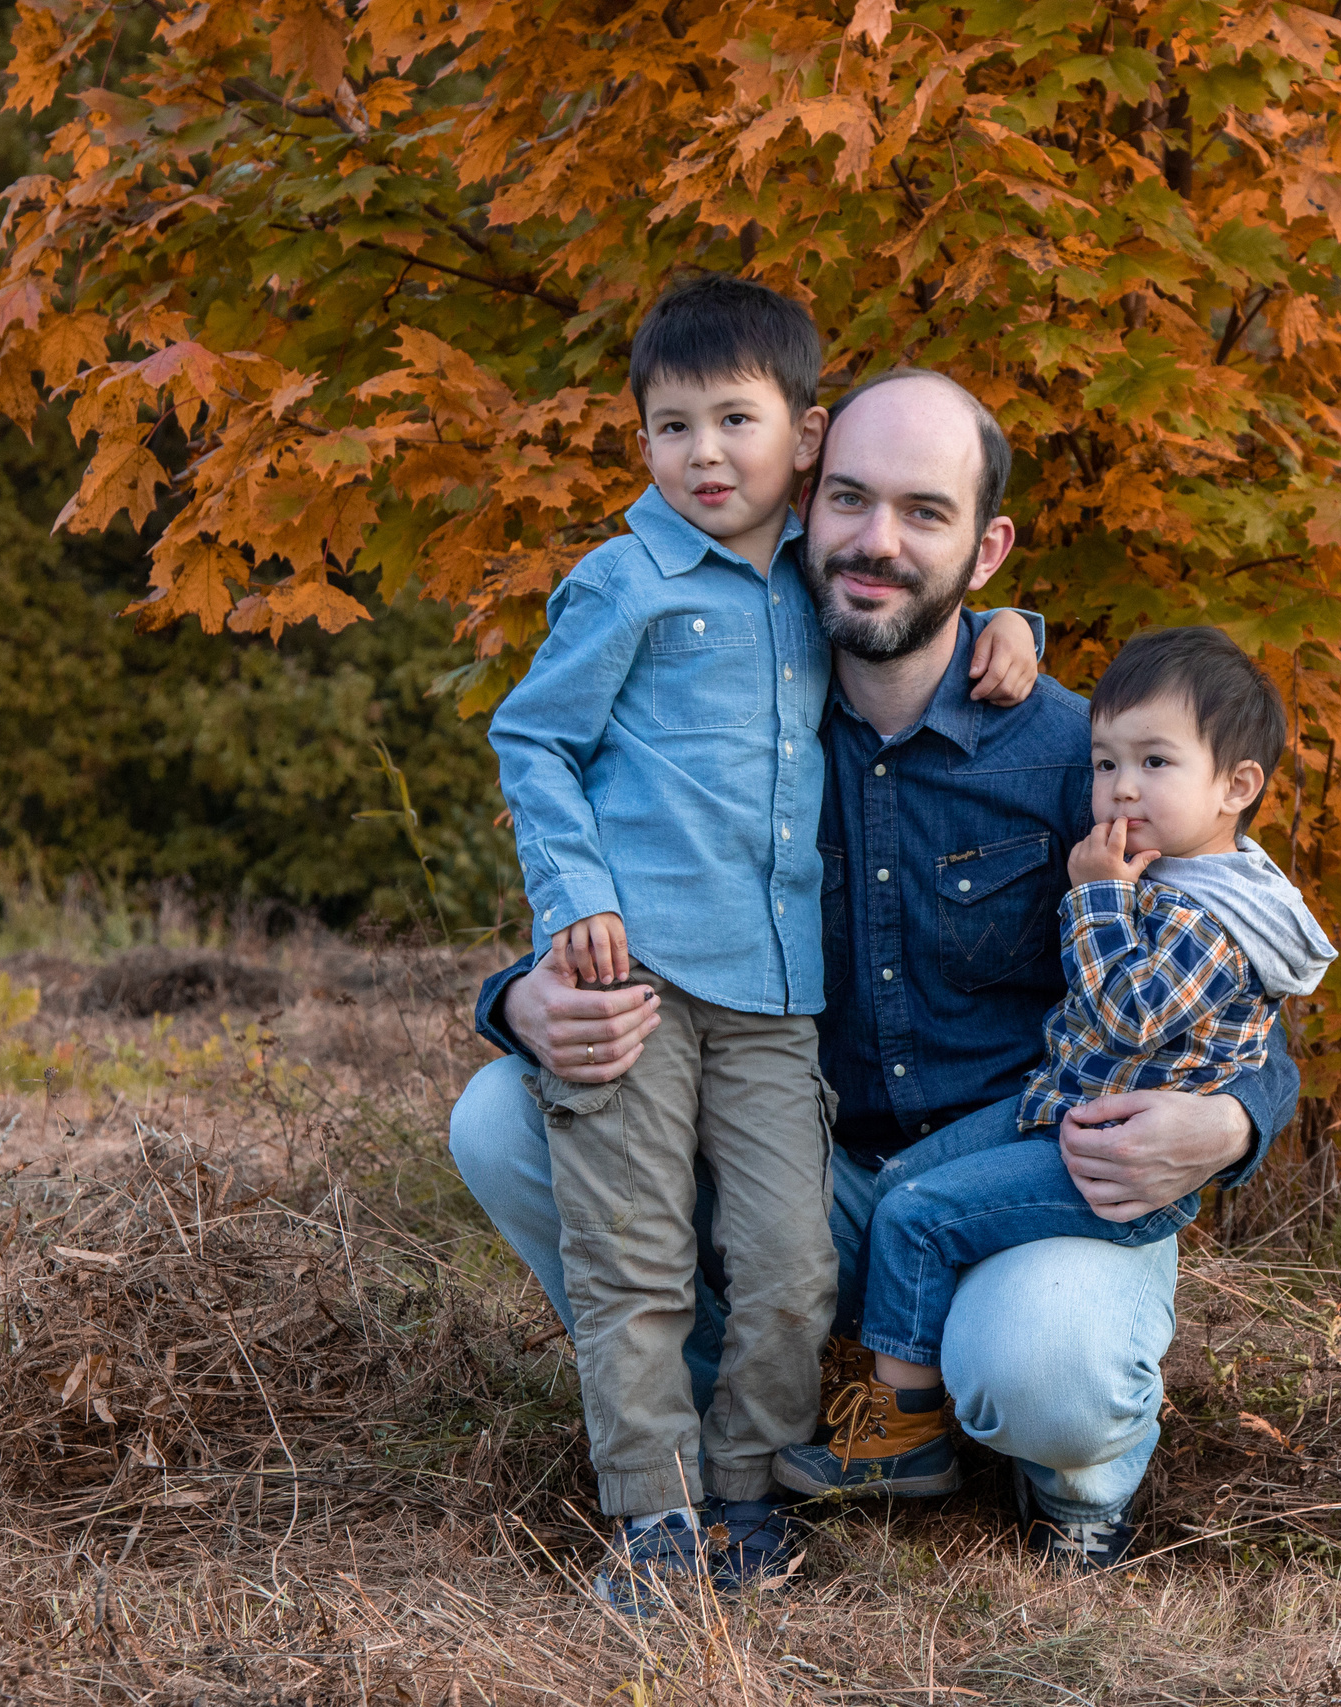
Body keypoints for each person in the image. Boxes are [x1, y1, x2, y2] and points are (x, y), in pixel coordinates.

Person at [452, 367, 1298, 1574]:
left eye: (924, 512)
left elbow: (1231, 975)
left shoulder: (1078, 754)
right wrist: (522, 999)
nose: (877, 542)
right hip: (805, 1171)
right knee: (504, 1114)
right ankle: (748, 1433)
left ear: (986, 549)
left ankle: (1063, 1480)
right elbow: (621, 875)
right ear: (804, 506)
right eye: (849, 499)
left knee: (1045, 1366)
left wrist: (1228, 1122)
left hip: (1020, 1174)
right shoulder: (726, 714)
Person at [487, 278, 1039, 1610]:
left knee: (788, 1264)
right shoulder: (624, 584)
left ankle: (749, 1489)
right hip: (639, 979)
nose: (704, 455)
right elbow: (533, 738)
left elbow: (908, 600)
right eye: (671, 427)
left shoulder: (809, 574)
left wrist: (1015, 631)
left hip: (776, 998)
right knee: (634, 1257)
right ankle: (654, 1513)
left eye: (736, 421)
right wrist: (568, 908)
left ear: (805, 434)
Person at [774, 626, 1335, 1496]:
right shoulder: (1168, 864)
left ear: (1238, 786)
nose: (1121, 785)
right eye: (1107, 764)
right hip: (1053, 1107)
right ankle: (891, 1369)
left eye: (1154, 763)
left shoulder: (1211, 913)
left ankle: (914, 1437)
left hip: (1102, 1156)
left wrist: (1096, 895)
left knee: (917, 1213)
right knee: (898, 1192)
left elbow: (1132, 1016)